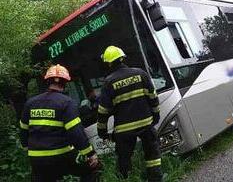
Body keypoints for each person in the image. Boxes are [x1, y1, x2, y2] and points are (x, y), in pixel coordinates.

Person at [19, 64, 101, 182]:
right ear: (65, 83)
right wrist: (90, 154)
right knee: (91, 169)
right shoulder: (66, 103)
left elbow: (23, 131)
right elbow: (76, 133)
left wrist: (29, 149)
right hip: (61, 156)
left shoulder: (30, 103)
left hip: (36, 158)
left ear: (47, 81)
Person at [97, 46, 162, 181]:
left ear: (108, 63)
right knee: (152, 155)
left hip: (123, 130)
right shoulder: (140, 73)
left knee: (124, 160)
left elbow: (103, 111)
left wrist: (102, 132)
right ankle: (156, 179)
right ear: (122, 58)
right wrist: (156, 116)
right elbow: (153, 97)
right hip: (146, 123)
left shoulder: (108, 82)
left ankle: (125, 179)